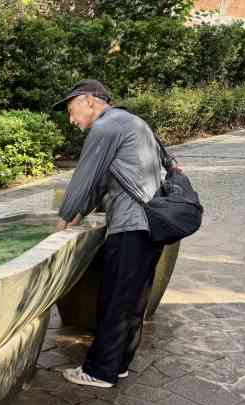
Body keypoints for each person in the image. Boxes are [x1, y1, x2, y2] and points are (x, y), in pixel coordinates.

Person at [52, 79, 164, 388]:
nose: (73, 121)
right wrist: (78, 215)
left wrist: (60, 225)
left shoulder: (106, 127)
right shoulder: (132, 121)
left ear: (89, 100)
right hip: (152, 225)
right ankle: (119, 363)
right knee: (133, 299)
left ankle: (100, 371)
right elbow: (101, 183)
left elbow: (83, 180)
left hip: (131, 224)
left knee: (115, 299)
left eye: (72, 111)